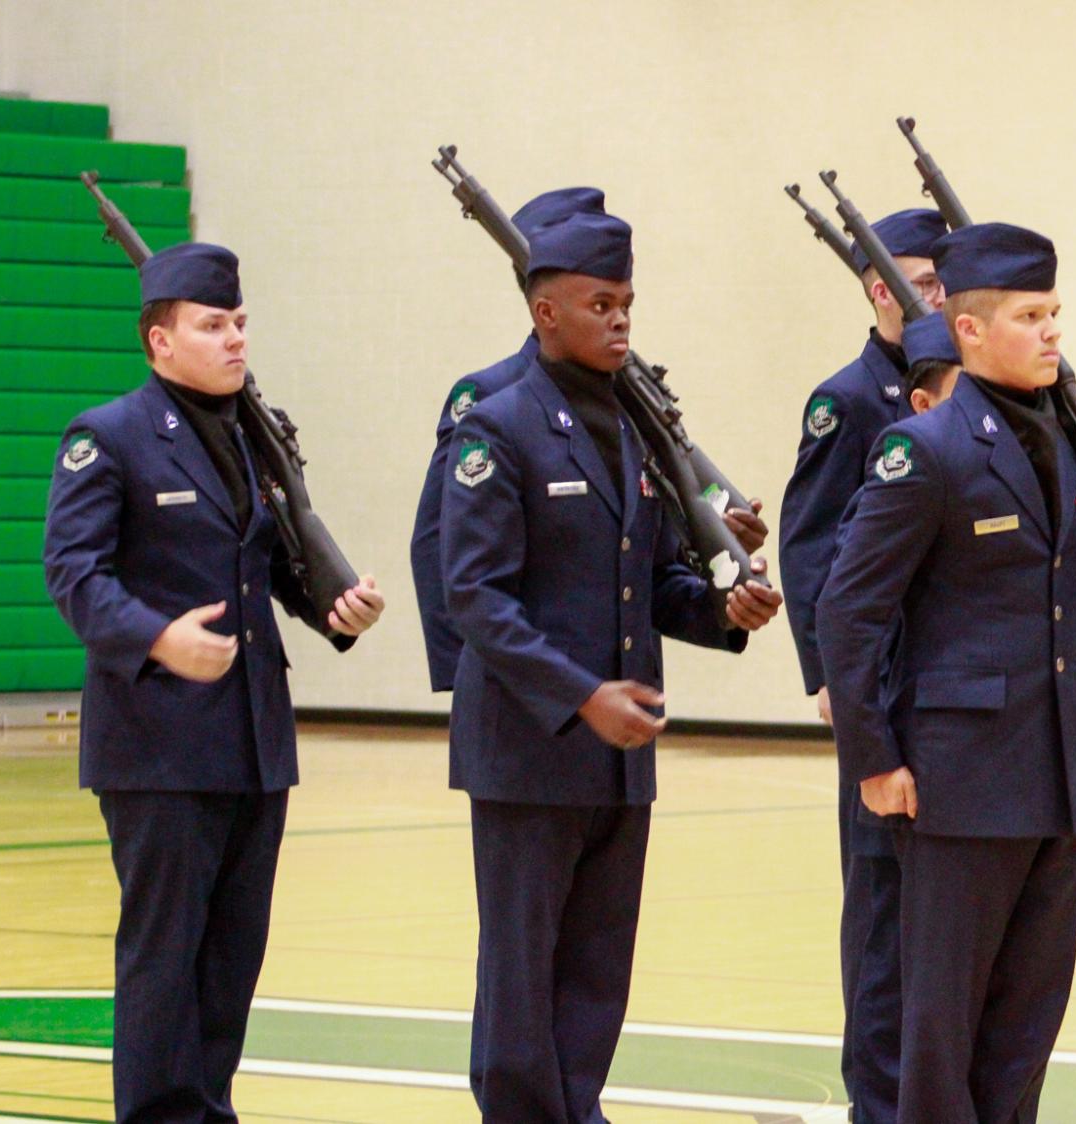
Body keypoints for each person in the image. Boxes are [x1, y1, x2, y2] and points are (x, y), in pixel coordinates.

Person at [818, 221, 1076, 1124]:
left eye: (1054, 314)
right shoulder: (923, 452)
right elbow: (850, 612)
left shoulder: (1060, 444)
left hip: (1052, 770)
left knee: (1026, 1022)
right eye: (1030, 316)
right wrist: (874, 761)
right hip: (956, 777)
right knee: (942, 1027)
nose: (1050, 332)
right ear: (967, 330)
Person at [440, 208, 783, 1121]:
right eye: (601, 303)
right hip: (529, 747)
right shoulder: (495, 428)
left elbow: (654, 580)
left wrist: (722, 606)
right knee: (523, 973)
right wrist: (580, 694)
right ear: (546, 312)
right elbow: (474, 596)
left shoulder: (635, 432)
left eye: (628, 302)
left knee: (596, 971)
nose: (621, 319)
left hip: (617, 753)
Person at [43, 241, 385, 1122]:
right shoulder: (108, 437)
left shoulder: (252, 441)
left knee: (232, 957)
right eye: (211, 325)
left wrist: (331, 610)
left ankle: (208, 1108)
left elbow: (262, 567)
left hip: (252, 739)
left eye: (239, 323)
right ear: (159, 341)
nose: (234, 340)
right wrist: (157, 638)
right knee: (165, 956)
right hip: (157, 742)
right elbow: (74, 576)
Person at [412, 186, 764, 693]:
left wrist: (716, 569)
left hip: (623, 707)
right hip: (521, 704)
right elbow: (437, 543)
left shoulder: (628, 403)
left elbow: (643, 567)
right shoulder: (491, 400)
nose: (617, 316)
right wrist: (464, 680)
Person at [779, 206, 947, 1124]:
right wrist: (825, 678)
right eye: (924, 283)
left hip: (948, 690)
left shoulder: (965, 393)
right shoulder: (848, 400)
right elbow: (810, 550)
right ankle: (878, 1101)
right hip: (875, 686)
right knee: (883, 910)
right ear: (879, 289)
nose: (940, 298)